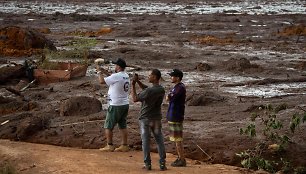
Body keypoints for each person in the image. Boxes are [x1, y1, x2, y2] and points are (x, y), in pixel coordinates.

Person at [131, 69, 167, 171]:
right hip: (156, 119)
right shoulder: (161, 89)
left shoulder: (149, 91)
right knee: (159, 140)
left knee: (146, 142)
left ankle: (147, 164)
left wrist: (133, 85)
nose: (148, 77)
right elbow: (146, 89)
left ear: (154, 77)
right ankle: (162, 164)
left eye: (150, 75)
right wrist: (138, 82)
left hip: (145, 119)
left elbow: (134, 98)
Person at [96, 58, 130, 152]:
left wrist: (99, 71)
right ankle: (124, 145)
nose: (115, 66)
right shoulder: (125, 75)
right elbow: (113, 78)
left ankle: (110, 145)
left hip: (116, 104)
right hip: (124, 103)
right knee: (122, 125)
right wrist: (104, 71)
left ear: (118, 67)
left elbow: (102, 81)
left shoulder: (116, 76)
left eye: (116, 65)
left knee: (108, 125)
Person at [166, 69, 187, 167]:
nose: (171, 77)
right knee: (176, 138)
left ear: (177, 77)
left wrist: (169, 96)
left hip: (176, 115)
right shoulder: (177, 87)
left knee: (177, 138)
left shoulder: (180, 87)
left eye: (172, 76)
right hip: (173, 114)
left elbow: (169, 97)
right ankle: (180, 157)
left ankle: (182, 159)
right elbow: (168, 97)